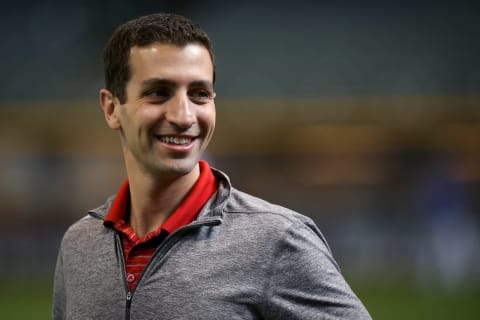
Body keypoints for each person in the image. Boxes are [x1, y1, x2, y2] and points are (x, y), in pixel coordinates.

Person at [52, 13, 371, 320]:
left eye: (200, 94)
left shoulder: (276, 239)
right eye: (158, 93)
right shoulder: (79, 242)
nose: (184, 116)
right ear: (111, 108)